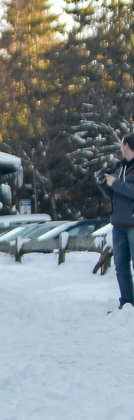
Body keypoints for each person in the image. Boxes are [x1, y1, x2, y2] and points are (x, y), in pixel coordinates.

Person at [97, 132, 134, 310]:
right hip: (118, 224)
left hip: (133, 225)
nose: (120, 148)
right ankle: (127, 302)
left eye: (122, 145)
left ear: (127, 146)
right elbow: (114, 195)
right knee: (121, 265)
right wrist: (104, 184)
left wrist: (115, 183)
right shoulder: (120, 168)